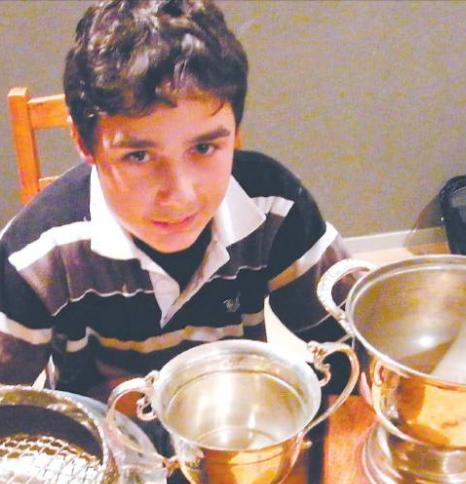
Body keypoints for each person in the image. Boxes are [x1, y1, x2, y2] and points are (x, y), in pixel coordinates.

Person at [0, 0, 352, 432]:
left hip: (238, 438)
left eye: (204, 148)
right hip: (107, 448)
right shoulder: (37, 257)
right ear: (84, 143)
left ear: (235, 133)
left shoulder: (275, 207)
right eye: (139, 155)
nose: (180, 195)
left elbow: (355, 339)